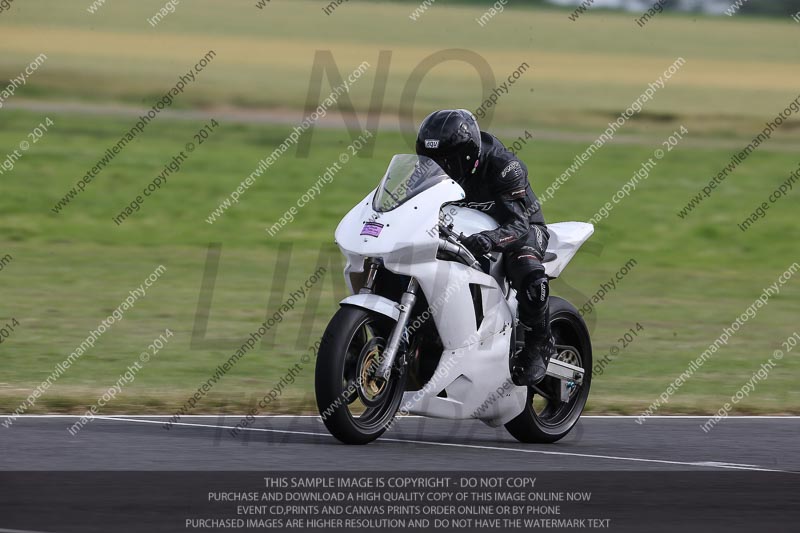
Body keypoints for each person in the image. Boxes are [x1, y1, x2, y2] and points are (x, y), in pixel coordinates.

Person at [415, 109, 555, 386]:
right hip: (463, 230)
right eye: (431, 160)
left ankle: (540, 340)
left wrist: (490, 239)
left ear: (468, 154)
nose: (439, 167)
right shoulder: (427, 171)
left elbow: (519, 224)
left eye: (446, 160)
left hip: (520, 229)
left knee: (526, 266)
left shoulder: (504, 166)